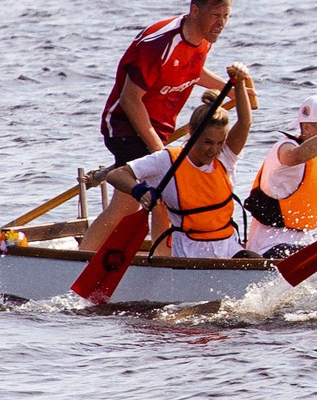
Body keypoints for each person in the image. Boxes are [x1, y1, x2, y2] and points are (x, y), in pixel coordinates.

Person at [77, 66, 256, 259]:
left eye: (219, 143)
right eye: (207, 142)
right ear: (192, 134)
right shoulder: (167, 160)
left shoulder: (224, 157)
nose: (213, 149)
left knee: (260, 263)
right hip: (190, 252)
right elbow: (116, 174)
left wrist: (238, 83)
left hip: (229, 248)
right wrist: (140, 191)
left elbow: (245, 123)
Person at [99, 0, 237, 164]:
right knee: (147, 188)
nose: (221, 23)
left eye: (225, 15)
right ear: (195, 11)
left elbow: (189, 69)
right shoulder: (159, 45)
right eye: (215, 15)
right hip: (125, 128)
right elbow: (129, 99)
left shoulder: (205, 38)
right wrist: (159, 152)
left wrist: (230, 90)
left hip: (160, 129)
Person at [242, 94, 317, 258]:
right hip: (269, 245)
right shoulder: (284, 148)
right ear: (306, 127)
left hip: (303, 241)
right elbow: (296, 156)